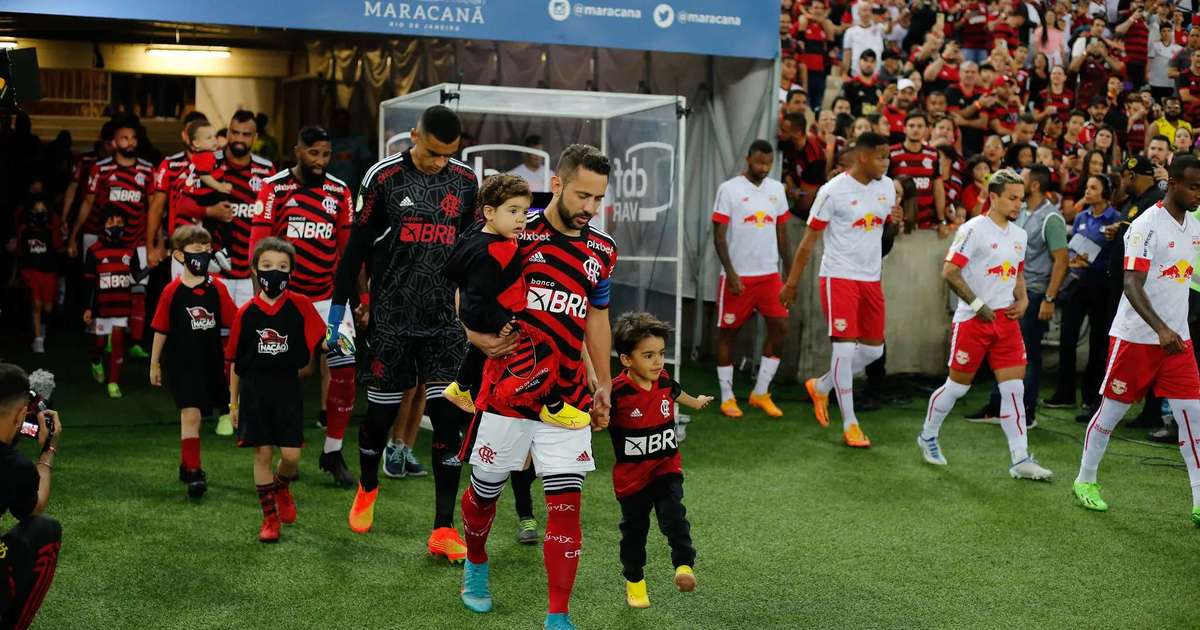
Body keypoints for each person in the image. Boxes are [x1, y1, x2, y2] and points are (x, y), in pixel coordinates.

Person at [456, 144, 616, 630]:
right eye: (583, 195)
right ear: (560, 184)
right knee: (485, 492)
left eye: (599, 199)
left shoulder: (602, 249)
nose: (590, 208)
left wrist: (604, 383)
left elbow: (597, 318)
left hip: (567, 396)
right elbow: (470, 283)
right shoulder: (516, 230)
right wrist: (473, 334)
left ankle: (558, 615)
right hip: (508, 389)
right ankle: (476, 562)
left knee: (566, 503)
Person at [329, 106, 479, 562]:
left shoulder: (466, 182)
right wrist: (340, 306)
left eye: (447, 154)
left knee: (447, 416)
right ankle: (368, 485)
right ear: (414, 135)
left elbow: (474, 245)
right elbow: (357, 243)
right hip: (392, 314)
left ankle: (442, 527)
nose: (439, 162)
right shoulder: (383, 177)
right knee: (379, 414)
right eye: (432, 152)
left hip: (444, 320)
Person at [1071, 154, 1200, 528]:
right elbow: (1131, 284)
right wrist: (1161, 328)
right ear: (1172, 183)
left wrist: (1175, 328)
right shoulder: (1145, 226)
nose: (1197, 194)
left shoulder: (1192, 226)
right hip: (1137, 339)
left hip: (1179, 342)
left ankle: (1198, 500)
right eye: (1192, 186)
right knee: (1111, 413)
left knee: (1193, 420)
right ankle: (1085, 480)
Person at [917, 168, 1052, 479]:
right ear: (994, 197)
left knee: (1014, 390)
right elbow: (950, 271)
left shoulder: (1019, 235)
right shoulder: (973, 230)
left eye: (1021, 198)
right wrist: (978, 305)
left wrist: (1023, 299)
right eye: (1012, 198)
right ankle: (927, 435)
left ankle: (1020, 460)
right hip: (972, 322)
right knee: (956, 388)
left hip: (1006, 322)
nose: (1019, 204)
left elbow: (1017, 272)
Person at [248, 126, 357, 489]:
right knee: (291, 373)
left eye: (325, 155)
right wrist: (261, 301)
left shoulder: (339, 191)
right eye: (314, 154)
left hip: (329, 300)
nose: (320, 161)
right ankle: (285, 450)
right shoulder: (274, 188)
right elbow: (258, 249)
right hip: (288, 301)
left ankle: (333, 451)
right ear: (297, 150)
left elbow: (348, 251)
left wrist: (357, 298)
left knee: (345, 368)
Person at [780, 132, 899, 448]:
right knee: (844, 352)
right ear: (862, 157)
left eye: (888, 157)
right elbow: (808, 243)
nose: (885, 163)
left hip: (871, 279)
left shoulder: (887, 188)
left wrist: (895, 223)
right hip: (839, 278)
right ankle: (851, 424)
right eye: (880, 157)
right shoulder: (832, 192)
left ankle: (821, 386)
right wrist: (791, 283)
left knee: (873, 351)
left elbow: (884, 234)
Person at [442, 173, 589, 426]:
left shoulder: (477, 233)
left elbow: (452, 271)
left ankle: (460, 387)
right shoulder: (493, 250)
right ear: (489, 212)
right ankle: (553, 406)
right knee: (542, 349)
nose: (521, 219)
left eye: (524, 211)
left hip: (484, 314)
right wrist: (500, 321)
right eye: (513, 211)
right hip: (495, 316)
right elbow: (479, 297)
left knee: (478, 352)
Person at [607, 312, 712, 609]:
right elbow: (597, 417)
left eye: (662, 354)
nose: (657, 362)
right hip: (631, 479)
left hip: (666, 468)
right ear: (627, 360)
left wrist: (697, 402)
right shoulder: (618, 392)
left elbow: (678, 394)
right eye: (649, 355)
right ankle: (635, 581)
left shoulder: (664, 380)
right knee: (634, 532)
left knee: (674, 516)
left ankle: (684, 567)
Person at [227, 237, 327, 543]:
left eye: (282, 267)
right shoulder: (246, 312)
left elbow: (321, 337)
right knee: (262, 454)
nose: (275, 272)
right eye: (268, 266)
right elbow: (234, 362)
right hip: (254, 391)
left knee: (292, 456)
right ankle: (269, 518)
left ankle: (282, 486)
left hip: (287, 390)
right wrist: (233, 403)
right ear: (256, 270)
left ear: (291, 272)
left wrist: (338, 340)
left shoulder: (301, 305)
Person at [149, 225, 236, 499]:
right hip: (181, 362)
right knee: (191, 414)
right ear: (178, 255)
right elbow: (160, 328)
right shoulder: (171, 292)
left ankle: (186, 465)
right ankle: (195, 473)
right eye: (195, 250)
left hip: (210, 362)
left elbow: (236, 322)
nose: (201, 255)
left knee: (198, 416)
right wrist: (154, 364)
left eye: (205, 250)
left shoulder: (218, 288)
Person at [711, 140, 790, 419]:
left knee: (780, 329)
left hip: (770, 276)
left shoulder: (777, 190)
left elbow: (782, 234)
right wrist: (731, 272)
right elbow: (718, 234)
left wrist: (789, 277)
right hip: (739, 276)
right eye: (758, 163)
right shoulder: (729, 189)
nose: (763, 168)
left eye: (768, 163)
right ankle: (727, 396)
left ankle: (760, 392)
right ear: (748, 159)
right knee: (728, 333)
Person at [68, 118, 156, 361]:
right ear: (114, 142)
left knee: (139, 292)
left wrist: (155, 243)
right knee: (104, 290)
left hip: (136, 241)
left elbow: (154, 208)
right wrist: (74, 235)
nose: (130, 142)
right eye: (124, 138)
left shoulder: (148, 170)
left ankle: (135, 341)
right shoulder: (101, 169)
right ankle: (104, 338)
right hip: (107, 243)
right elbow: (88, 202)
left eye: (133, 138)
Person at [0, 364, 63, 630]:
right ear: (19, 415)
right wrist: (48, 449)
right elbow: (34, 507)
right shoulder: (14, 466)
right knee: (45, 529)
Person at [1052, 175, 1120, 418]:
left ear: (1106, 193)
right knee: (1068, 338)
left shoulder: (1116, 219)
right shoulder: (1081, 216)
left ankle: (1091, 396)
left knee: (1098, 343)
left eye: (1094, 188)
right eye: (1087, 187)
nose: (1088, 191)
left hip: (1101, 286)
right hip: (1076, 284)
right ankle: (1064, 393)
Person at [212, 110, 275, 308]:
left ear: (255, 138)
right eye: (235, 132)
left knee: (247, 329)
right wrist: (209, 211)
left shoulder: (267, 170)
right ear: (228, 133)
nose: (239, 139)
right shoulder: (210, 163)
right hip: (215, 267)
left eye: (246, 134)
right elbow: (183, 206)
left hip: (251, 271)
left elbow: (274, 218)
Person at [81, 209, 145, 398]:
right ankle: (96, 361)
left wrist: (152, 265)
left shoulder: (130, 250)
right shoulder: (94, 251)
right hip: (101, 307)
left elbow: (136, 276)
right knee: (100, 344)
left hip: (122, 306)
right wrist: (87, 308)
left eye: (119, 222)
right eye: (111, 222)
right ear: (103, 226)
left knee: (117, 342)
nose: (115, 226)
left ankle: (113, 382)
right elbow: (88, 283)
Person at [15, 194, 64, 354]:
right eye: (37, 210)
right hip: (31, 272)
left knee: (48, 307)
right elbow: (18, 252)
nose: (40, 213)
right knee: (36, 304)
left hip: (49, 272)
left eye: (43, 210)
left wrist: (69, 244)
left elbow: (58, 247)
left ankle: (42, 327)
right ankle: (37, 340)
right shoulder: (24, 231)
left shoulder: (51, 231)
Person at [888, 110, 946, 230]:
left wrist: (941, 220)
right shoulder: (892, 153)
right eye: (911, 126)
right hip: (899, 222)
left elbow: (938, 188)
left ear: (926, 130)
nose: (915, 129)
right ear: (904, 128)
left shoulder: (933, 154)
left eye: (920, 126)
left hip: (926, 221)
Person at [327, 107, 374, 196]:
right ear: (332, 122)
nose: (340, 123)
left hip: (352, 189)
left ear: (349, 122)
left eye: (344, 119)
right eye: (338, 120)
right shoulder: (325, 142)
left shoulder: (358, 141)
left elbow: (366, 165)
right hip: (329, 188)